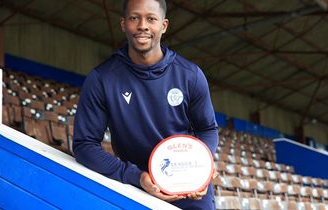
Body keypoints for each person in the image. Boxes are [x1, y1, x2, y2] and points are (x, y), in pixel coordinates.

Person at [72, 0, 219, 209]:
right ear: (123, 24)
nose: (142, 25)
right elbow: (84, 146)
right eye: (134, 18)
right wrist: (135, 177)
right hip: (136, 187)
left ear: (164, 25)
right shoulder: (103, 79)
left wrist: (201, 166)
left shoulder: (190, 75)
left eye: (151, 18)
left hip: (188, 188)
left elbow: (208, 129)